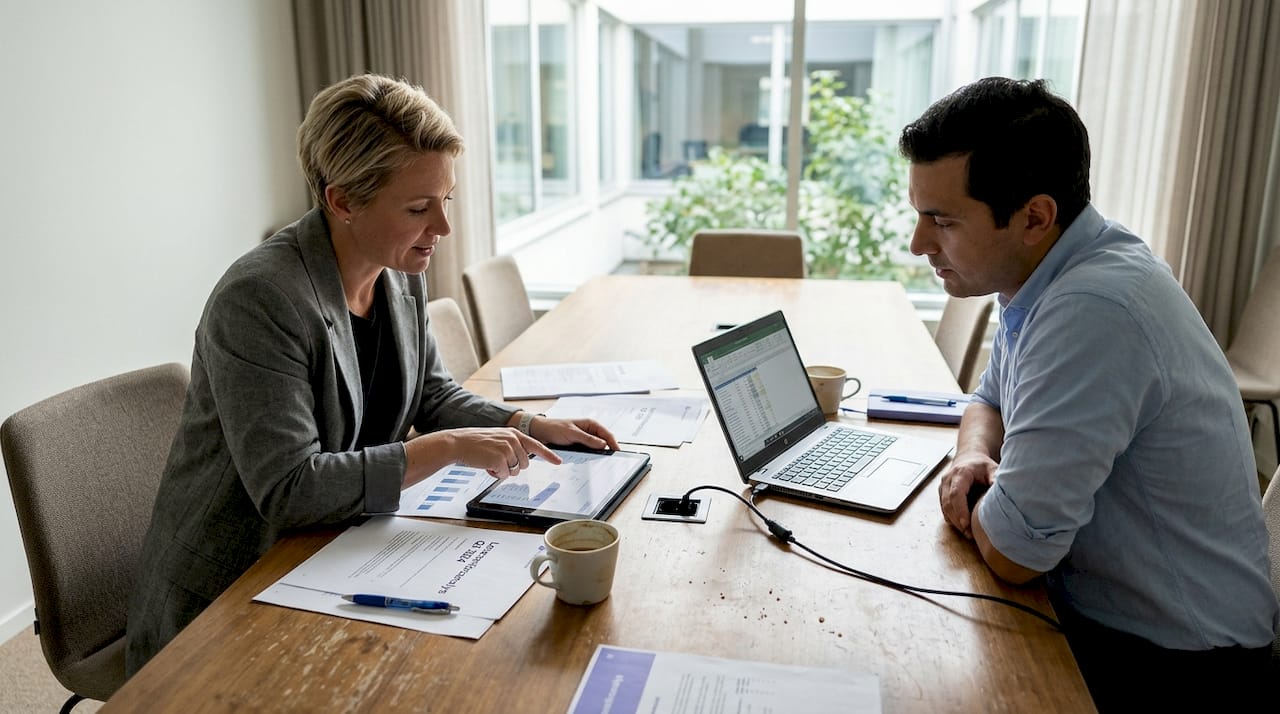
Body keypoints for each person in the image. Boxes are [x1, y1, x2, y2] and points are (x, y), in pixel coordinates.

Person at [125, 74, 619, 674]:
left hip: (339, 551)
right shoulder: (259, 300)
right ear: (343, 201)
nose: (442, 227)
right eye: (418, 207)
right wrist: (447, 449)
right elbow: (290, 490)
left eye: (446, 201)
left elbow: (429, 389)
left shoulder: (399, 265)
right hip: (233, 593)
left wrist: (530, 424)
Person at [899, 77, 1277, 711]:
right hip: (1119, 622)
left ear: (1034, 216)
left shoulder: (1092, 308)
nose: (919, 244)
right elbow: (987, 399)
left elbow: (1017, 554)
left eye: (942, 221)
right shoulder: (1047, 267)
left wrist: (989, 504)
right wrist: (971, 460)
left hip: (1176, 667)